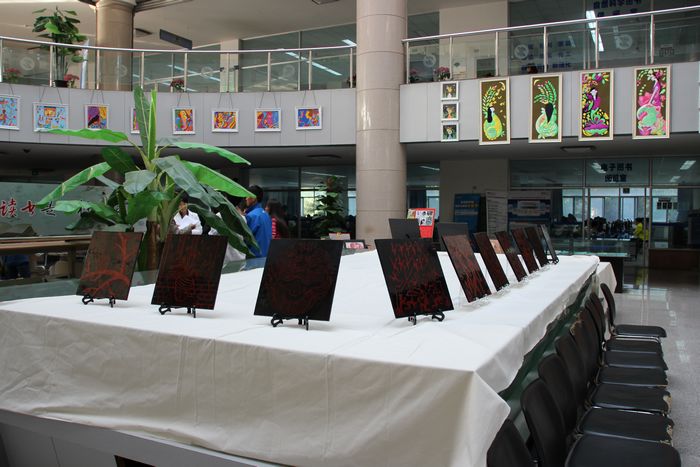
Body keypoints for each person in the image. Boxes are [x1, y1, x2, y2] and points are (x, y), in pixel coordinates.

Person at [245, 185, 272, 257]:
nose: (246, 198)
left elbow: (246, 240)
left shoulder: (251, 216)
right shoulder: (266, 215)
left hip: (254, 258)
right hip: (266, 256)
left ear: (254, 198)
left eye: (247, 196)